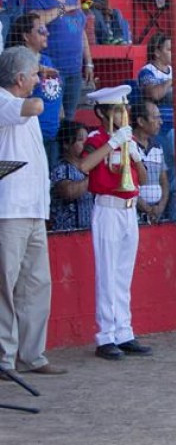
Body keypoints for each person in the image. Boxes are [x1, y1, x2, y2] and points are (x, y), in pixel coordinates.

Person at [0, 46, 63, 376]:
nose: (39, 79)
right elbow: (35, 105)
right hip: (8, 210)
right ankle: (4, 359)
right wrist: (40, 85)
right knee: (5, 287)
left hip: (34, 208)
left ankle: (31, 355)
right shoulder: (5, 100)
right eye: (34, 74)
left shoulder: (20, 99)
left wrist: (40, 76)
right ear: (19, 78)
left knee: (37, 284)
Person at [78, 85, 153, 361]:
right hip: (107, 208)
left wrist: (134, 153)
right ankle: (106, 336)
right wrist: (112, 143)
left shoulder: (128, 139)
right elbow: (85, 166)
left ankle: (124, 331)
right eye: (118, 111)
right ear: (102, 113)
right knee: (108, 273)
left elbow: (143, 179)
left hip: (129, 209)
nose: (124, 115)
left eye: (125, 109)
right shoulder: (97, 139)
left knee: (123, 275)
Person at [25, 0, 92, 122]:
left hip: (75, 69)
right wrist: (62, 9)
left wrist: (89, 61)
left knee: (69, 116)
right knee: (52, 116)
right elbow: (36, 20)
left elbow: (81, 32)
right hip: (50, 69)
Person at [7, 14, 64, 169]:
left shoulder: (46, 60)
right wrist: (39, 69)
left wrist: (61, 109)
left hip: (53, 133)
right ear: (26, 36)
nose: (47, 33)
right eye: (41, 30)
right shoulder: (14, 64)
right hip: (30, 135)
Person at [50, 119, 94, 230]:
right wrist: (94, 175)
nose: (86, 143)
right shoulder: (61, 169)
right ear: (66, 144)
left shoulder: (90, 169)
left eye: (87, 139)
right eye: (80, 140)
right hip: (66, 235)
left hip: (90, 234)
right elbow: (69, 192)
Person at [131, 98, 169, 225]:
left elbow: (164, 181)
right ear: (141, 121)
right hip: (133, 214)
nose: (161, 122)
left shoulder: (158, 147)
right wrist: (147, 209)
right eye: (156, 118)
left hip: (157, 214)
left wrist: (160, 207)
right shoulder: (127, 147)